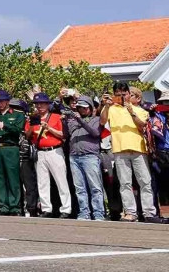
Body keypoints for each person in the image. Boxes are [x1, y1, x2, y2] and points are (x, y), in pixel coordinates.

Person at [102, 82, 160, 222]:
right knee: (125, 183)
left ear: (129, 94)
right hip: (120, 150)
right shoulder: (111, 108)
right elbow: (102, 121)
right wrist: (105, 105)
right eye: (118, 95)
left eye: (124, 94)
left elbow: (142, 126)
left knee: (145, 182)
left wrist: (131, 111)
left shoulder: (139, 109)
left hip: (138, 149)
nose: (121, 97)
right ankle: (130, 212)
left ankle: (148, 213)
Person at [29, 91, 71, 218]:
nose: (39, 106)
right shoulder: (33, 118)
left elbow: (63, 135)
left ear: (48, 105)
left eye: (42, 104)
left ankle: (66, 208)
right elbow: (28, 136)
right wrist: (32, 125)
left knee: (61, 180)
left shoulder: (56, 117)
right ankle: (46, 208)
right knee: (42, 182)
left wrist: (48, 128)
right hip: (41, 151)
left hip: (55, 150)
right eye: (37, 104)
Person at [63, 96, 105, 220]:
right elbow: (67, 133)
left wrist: (79, 120)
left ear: (91, 108)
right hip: (74, 156)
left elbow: (95, 133)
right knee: (79, 188)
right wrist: (65, 120)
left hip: (90, 156)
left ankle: (98, 213)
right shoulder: (73, 119)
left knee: (95, 187)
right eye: (80, 107)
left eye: (85, 107)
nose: (82, 110)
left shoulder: (96, 119)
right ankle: (84, 212)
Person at [0, 89, 25, 216]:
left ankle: (15, 206)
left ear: (7, 101)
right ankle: (2, 205)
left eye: (2, 101)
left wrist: (4, 125)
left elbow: (18, 129)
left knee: (13, 178)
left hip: (10, 147)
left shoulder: (18, 114)